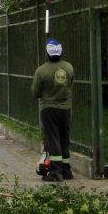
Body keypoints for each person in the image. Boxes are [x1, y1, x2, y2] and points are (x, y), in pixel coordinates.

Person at [31, 37, 75, 181]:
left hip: (48, 109)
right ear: (61, 53)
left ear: (47, 54)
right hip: (66, 108)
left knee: (53, 139)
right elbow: (70, 84)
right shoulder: (69, 67)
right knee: (64, 138)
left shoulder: (41, 70)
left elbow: (36, 92)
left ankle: (56, 172)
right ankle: (67, 170)